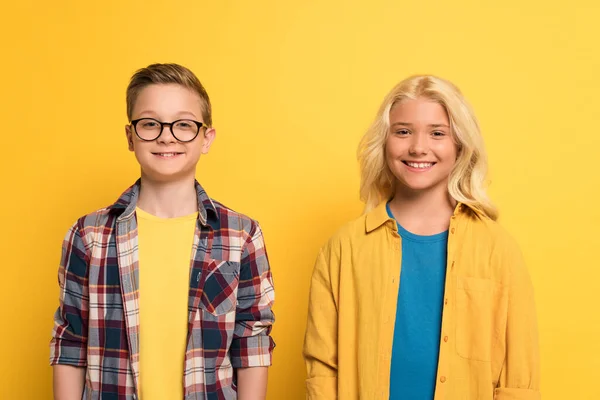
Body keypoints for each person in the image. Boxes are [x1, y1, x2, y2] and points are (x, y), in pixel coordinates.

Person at [303, 75, 540, 399]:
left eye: (437, 133)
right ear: (384, 142)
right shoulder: (343, 248)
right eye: (403, 131)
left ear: (460, 144)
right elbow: (322, 370)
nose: (417, 147)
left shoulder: (497, 249)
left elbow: (518, 378)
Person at [50, 63, 275, 400]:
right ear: (130, 136)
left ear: (206, 138)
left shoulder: (240, 235)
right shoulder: (89, 236)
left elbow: (252, 342)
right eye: (150, 124)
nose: (166, 136)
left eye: (183, 125)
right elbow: (70, 341)